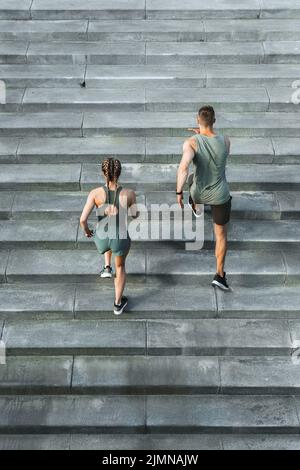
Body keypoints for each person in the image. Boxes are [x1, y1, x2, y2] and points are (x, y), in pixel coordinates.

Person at [176, 105, 232, 291]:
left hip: (199, 192)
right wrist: (202, 133)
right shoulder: (226, 141)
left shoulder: (191, 142)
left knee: (192, 178)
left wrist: (178, 193)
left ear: (197, 120)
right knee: (221, 235)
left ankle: (196, 205)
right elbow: (217, 153)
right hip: (220, 195)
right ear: (214, 121)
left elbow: (184, 167)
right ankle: (220, 274)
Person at [80, 157, 138, 314]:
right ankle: (118, 304)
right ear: (119, 173)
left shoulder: (95, 193)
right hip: (119, 239)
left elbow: (82, 219)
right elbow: (135, 215)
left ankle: (106, 267)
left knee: (106, 228)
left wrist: (87, 232)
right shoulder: (129, 193)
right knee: (120, 267)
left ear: (102, 173)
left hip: (100, 238)